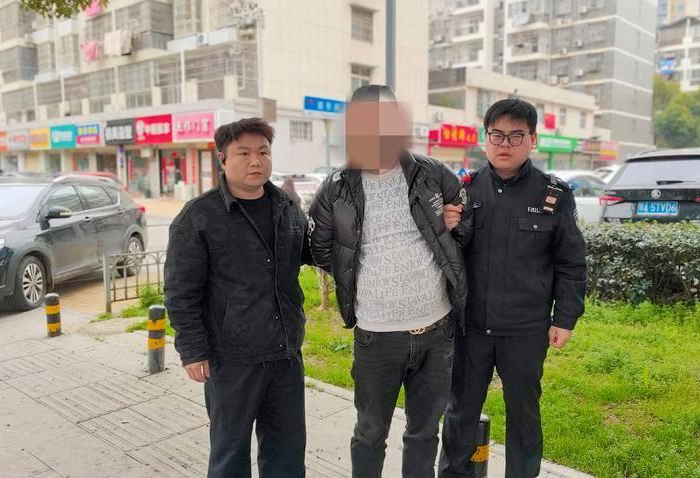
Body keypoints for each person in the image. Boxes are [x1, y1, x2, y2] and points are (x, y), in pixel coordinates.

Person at [308, 84, 470, 478]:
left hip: (437, 331)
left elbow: (468, 226)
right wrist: (366, 283)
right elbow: (322, 250)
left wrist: (457, 222)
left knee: (424, 432)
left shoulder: (432, 173)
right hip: (377, 336)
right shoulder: (336, 188)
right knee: (370, 432)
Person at [440, 99, 587, 478]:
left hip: (525, 328)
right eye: (497, 135)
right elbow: (446, 257)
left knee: (523, 413)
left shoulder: (553, 195)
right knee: (460, 411)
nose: (505, 144)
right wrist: (447, 228)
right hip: (471, 326)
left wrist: (565, 318)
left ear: (533, 140)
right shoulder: (463, 191)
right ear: (485, 138)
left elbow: (570, 263)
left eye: (516, 135)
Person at [164, 117, 312, 478]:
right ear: (223, 158)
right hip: (231, 358)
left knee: (288, 452)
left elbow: (310, 253)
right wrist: (192, 350)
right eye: (243, 153)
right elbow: (181, 291)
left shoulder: (287, 206)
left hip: (285, 353)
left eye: (263, 152)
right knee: (229, 453)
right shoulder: (198, 216)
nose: (255, 161)